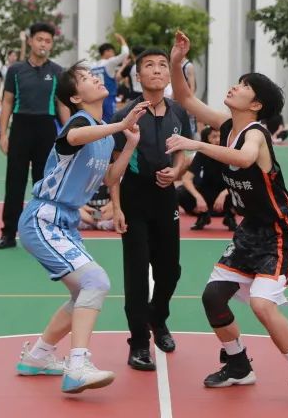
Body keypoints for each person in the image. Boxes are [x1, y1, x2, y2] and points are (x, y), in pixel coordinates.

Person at [165, 30, 288, 407]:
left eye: (244, 86)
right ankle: (238, 365)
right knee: (213, 297)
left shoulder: (255, 134)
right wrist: (176, 62)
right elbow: (185, 98)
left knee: (262, 304)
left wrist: (196, 144)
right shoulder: (227, 125)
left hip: (280, 233)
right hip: (249, 231)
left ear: (255, 104)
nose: (235, 87)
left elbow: (244, 159)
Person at [15, 64, 148, 394]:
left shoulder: (103, 131)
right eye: (87, 79)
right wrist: (122, 124)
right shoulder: (80, 122)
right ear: (76, 97)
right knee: (96, 281)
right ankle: (77, 365)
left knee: (82, 293)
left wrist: (129, 143)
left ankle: (38, 356)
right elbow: (73, 138)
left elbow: (110, 177)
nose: (96, 78)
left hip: (67, 222)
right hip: (44, 217)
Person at [110, 48, 192, 370]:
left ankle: (158, 317)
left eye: (162, 65)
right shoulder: (125, 115)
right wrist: (116, 207)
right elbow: (113, 167)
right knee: (136, 274)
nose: (157, 70)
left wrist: (177, 171)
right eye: (149, 65)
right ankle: (139, 343)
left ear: (168, 74)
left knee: (170, 270)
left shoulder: (178, 112)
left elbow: (184, 154)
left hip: (166, 198)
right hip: (133, 198)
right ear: (138, 75)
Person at [0, 23, 67, 250]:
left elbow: (61, 105)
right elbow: (7, 102)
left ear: (51, 44)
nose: (43, 44)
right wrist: (3, 134)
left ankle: (43, 231)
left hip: (46, 128)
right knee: (14, 182)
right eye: (39, 39)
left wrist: (69, 133)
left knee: (44, 183)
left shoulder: (58, 71)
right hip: (20, 127)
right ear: (30, 41)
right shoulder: (15, 70)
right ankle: (8, 233)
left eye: (48, 41)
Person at [176, 126, 236, 231]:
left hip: (226, 195)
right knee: (179, 192)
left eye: (220, 136)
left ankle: (230, 216)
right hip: (206, 193)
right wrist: (198, 197)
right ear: (207, 139)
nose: (217, 139)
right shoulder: (202, 154)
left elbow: (238, 179)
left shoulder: (230, 153)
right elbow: (186, 179)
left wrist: (223, 194)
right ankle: (203, 215)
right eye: (214, 137)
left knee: (245, 191)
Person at [89, 33, 129, 123]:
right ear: (107, 51)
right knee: (110, 122)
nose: (114, 55)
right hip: (108, 97)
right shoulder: (109, 63)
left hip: (95, 99)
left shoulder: (93, 65)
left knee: (96, 122)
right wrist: (122, 40)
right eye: (113, 52)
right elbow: (125, 53)